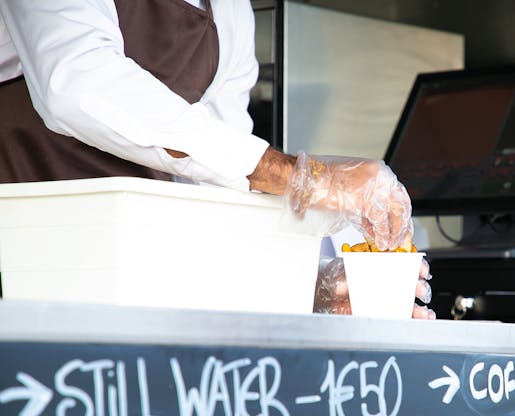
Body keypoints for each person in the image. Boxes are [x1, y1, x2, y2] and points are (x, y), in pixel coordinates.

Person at [0, 0, 434, 318]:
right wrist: (301, 175)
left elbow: (216, 178)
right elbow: (75, 86)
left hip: (127, 279)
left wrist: (311, 283)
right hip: (23, 259)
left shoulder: (230, 11)